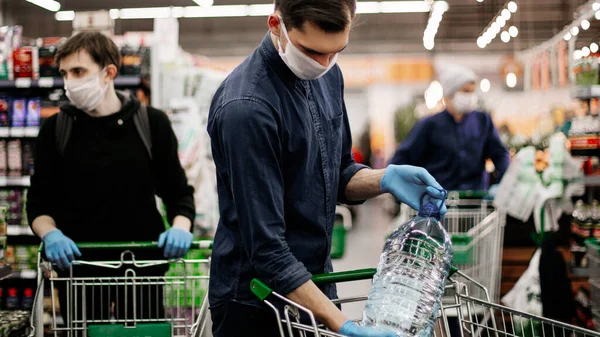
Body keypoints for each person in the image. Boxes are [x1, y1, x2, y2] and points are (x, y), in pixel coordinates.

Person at [206, 1, 447, 336]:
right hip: (256, 306)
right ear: (276, 25)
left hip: (315, 287)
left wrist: (385, 179)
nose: (323, 63)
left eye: (336, 52)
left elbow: (339, 173)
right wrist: (343, 325)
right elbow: (268, 250)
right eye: (311, 51)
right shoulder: (246, 110)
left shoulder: (328, 75)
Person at [26, 32, 195, 322]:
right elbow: (38, 204)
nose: (70, 83)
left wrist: (181, 226)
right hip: (79, 272)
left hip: (141, 270)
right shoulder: (56, 130)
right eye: (65, 73)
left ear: (109, 73)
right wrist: (50, 234)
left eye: (79, 71)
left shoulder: (151, 123)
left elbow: (179, 193)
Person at [389, 64, 510, 191]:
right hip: (438, 200)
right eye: (465, 91)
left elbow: (499, 154)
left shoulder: (482, 121)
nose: (470, 96)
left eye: (472, 91)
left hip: (475, 201)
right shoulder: (429, 125)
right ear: (449, 95)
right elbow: (401, 158)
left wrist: (504, 183)